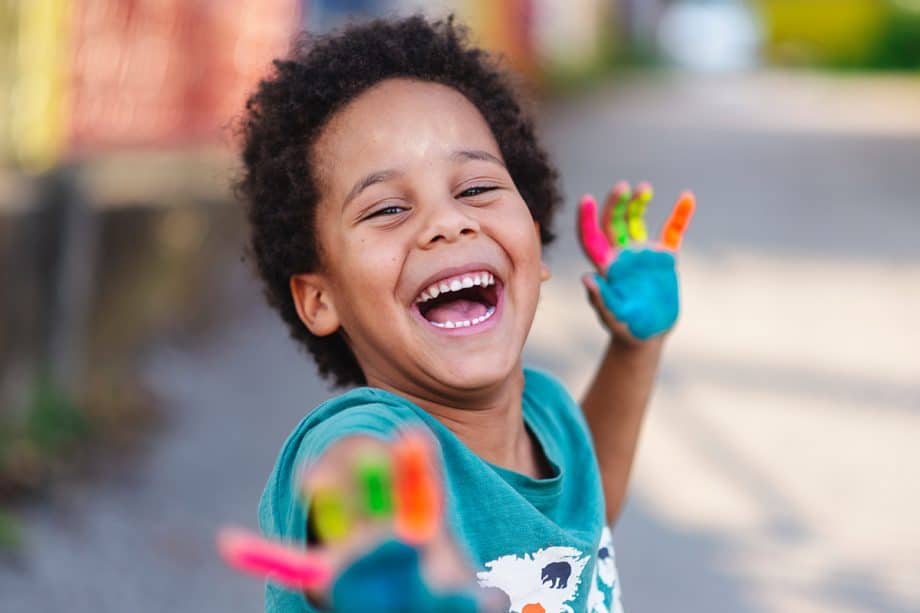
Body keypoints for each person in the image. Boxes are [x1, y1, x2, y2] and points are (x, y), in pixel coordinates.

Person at [237, 13, 692, 613]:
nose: (447, 222)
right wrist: (381, 561)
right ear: (320, 299)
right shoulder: (364, 436)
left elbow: (592, 501)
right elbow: (352, 479)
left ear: (533, 237)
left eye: (475, 189)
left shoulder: (548, 412)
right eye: (387, 209)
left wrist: (636, 348)